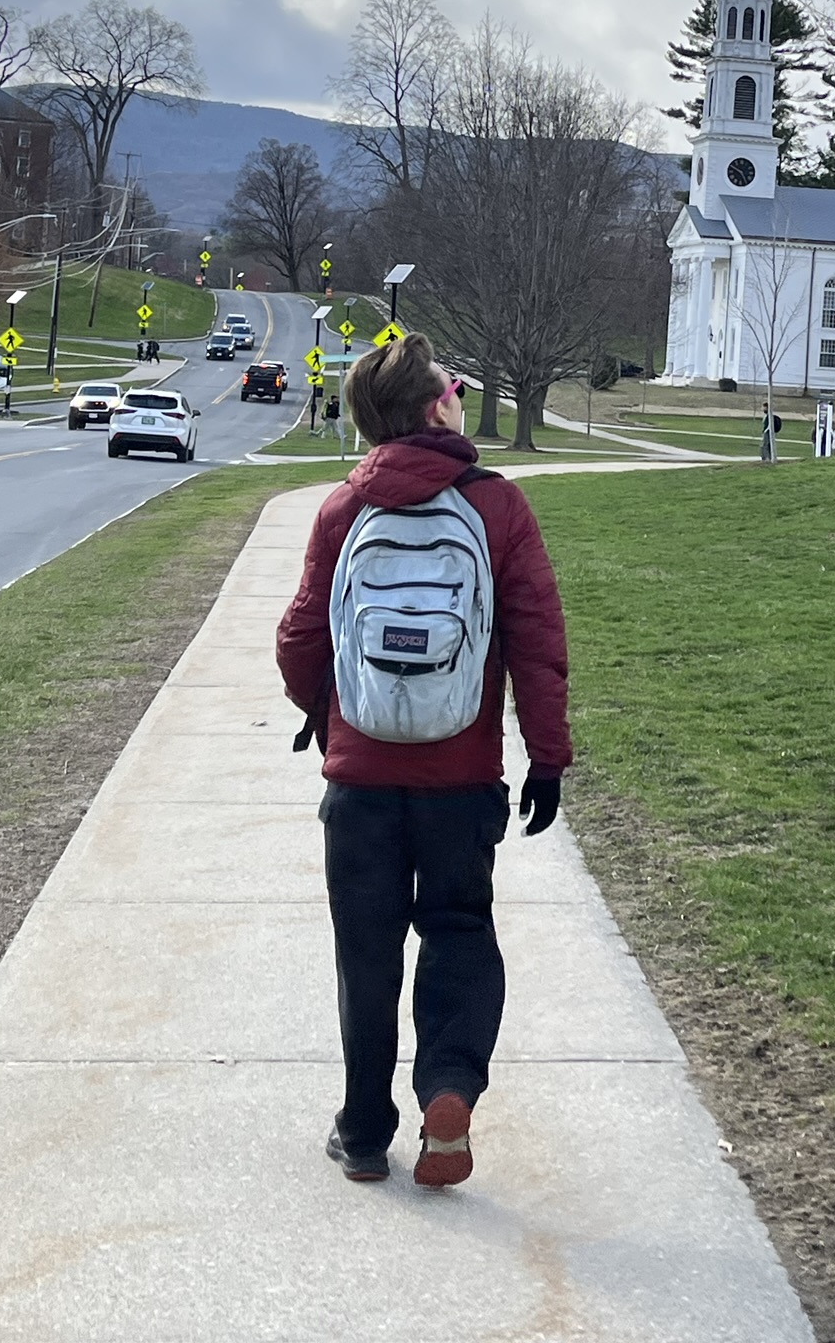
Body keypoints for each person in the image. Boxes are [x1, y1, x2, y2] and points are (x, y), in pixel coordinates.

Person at [276, 333, 570, 1190]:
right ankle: (448, 1088)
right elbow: (537, 643)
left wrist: (325, 710)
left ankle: (365, 1132)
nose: (460, 398)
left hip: (360, 782)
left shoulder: (345, 507)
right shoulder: (497, 506)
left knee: (365, 955)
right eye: (452, 388)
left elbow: (301, 635)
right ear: (435, 407)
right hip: (461, 778)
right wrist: (546, 758)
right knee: (459, 931)